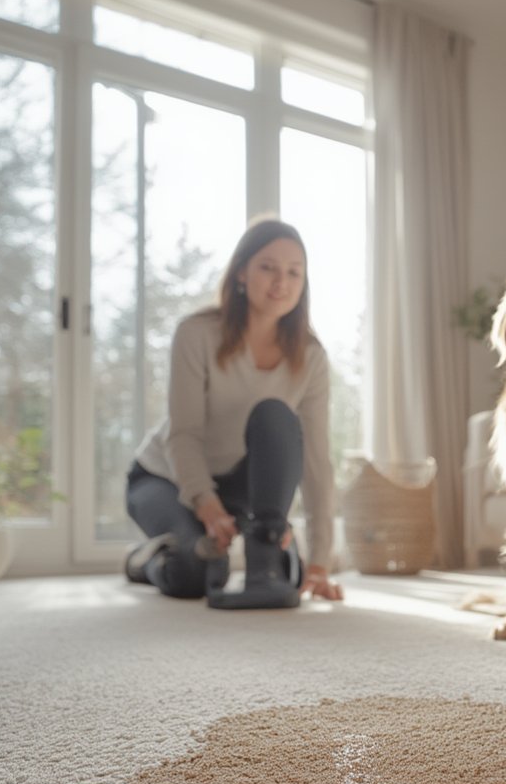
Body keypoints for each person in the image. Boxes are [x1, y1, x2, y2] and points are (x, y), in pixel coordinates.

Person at [124, 217, 344, 609]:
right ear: (242, 272)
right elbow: (184, 433)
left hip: (238, 484)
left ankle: (267, 546)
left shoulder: (311, 357)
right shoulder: (196, 334)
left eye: (294, 272)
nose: (282, 281)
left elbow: (315, 462)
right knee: (197, 574)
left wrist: (321, 564)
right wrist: (206, 506)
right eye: (268, 267)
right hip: (166, 478)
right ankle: (144, 560)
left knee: (277, 416)